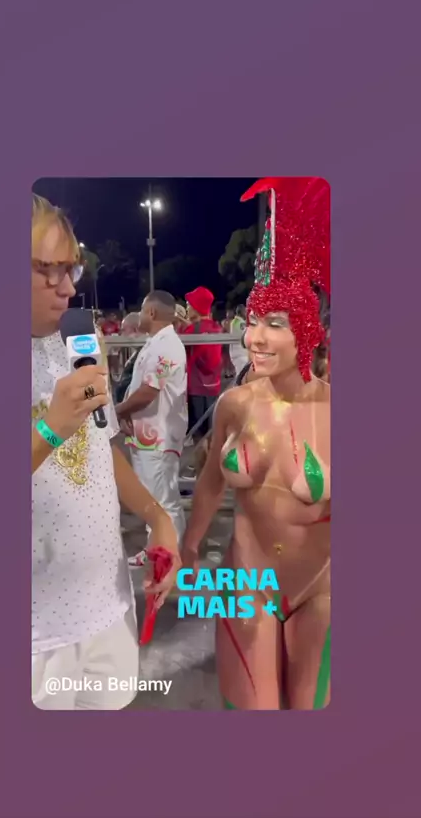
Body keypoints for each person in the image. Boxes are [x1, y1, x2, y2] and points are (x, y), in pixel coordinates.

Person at [181, 177, 331, 710]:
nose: (255, 338)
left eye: (274, 324)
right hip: (245, 581)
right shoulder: (234, 404)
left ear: (308, 333)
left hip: (322, 589)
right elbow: (210, 483)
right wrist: (188, 547)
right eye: (251, 322)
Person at [31, 196, 179, 711]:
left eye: (70, 268)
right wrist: (50, 429)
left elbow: (100, 446)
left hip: (108, 606)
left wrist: (157, 515)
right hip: (37, 633)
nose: (68, 287)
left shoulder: (78, 338)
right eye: (47, 270)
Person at [115, 291, 188, 566]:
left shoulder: (166, 346)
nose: (140, 316)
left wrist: (118, 411)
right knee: (152, 498)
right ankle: (154, 550)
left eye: (143, 311)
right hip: (147, 436)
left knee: (164, 501)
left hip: (159, 437)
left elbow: (148, 392)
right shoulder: (156, 342)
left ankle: (168, 558)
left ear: (152, 313)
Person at [184, 286, 223, 440]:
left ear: (196, 307)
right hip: (214, 386)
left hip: (195, 388)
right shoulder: (216, 328)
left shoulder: (192, 330)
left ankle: (201, 456)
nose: (187, 308)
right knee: (211, 432)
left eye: (189, 305)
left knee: (197, 434)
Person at [114, 312, 143, 404]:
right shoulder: (139, 352)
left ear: (135, 330)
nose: (122, 335)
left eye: (124, 330)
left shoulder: (144, 354)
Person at [229, 304, 248, 376]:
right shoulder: (240, 323)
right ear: (241, 312)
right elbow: (245, 335)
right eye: (245, 311)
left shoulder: (235, 321)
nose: (246, 313)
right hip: (240, 354)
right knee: (241, 376)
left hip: (239, 353)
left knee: (241, 375)